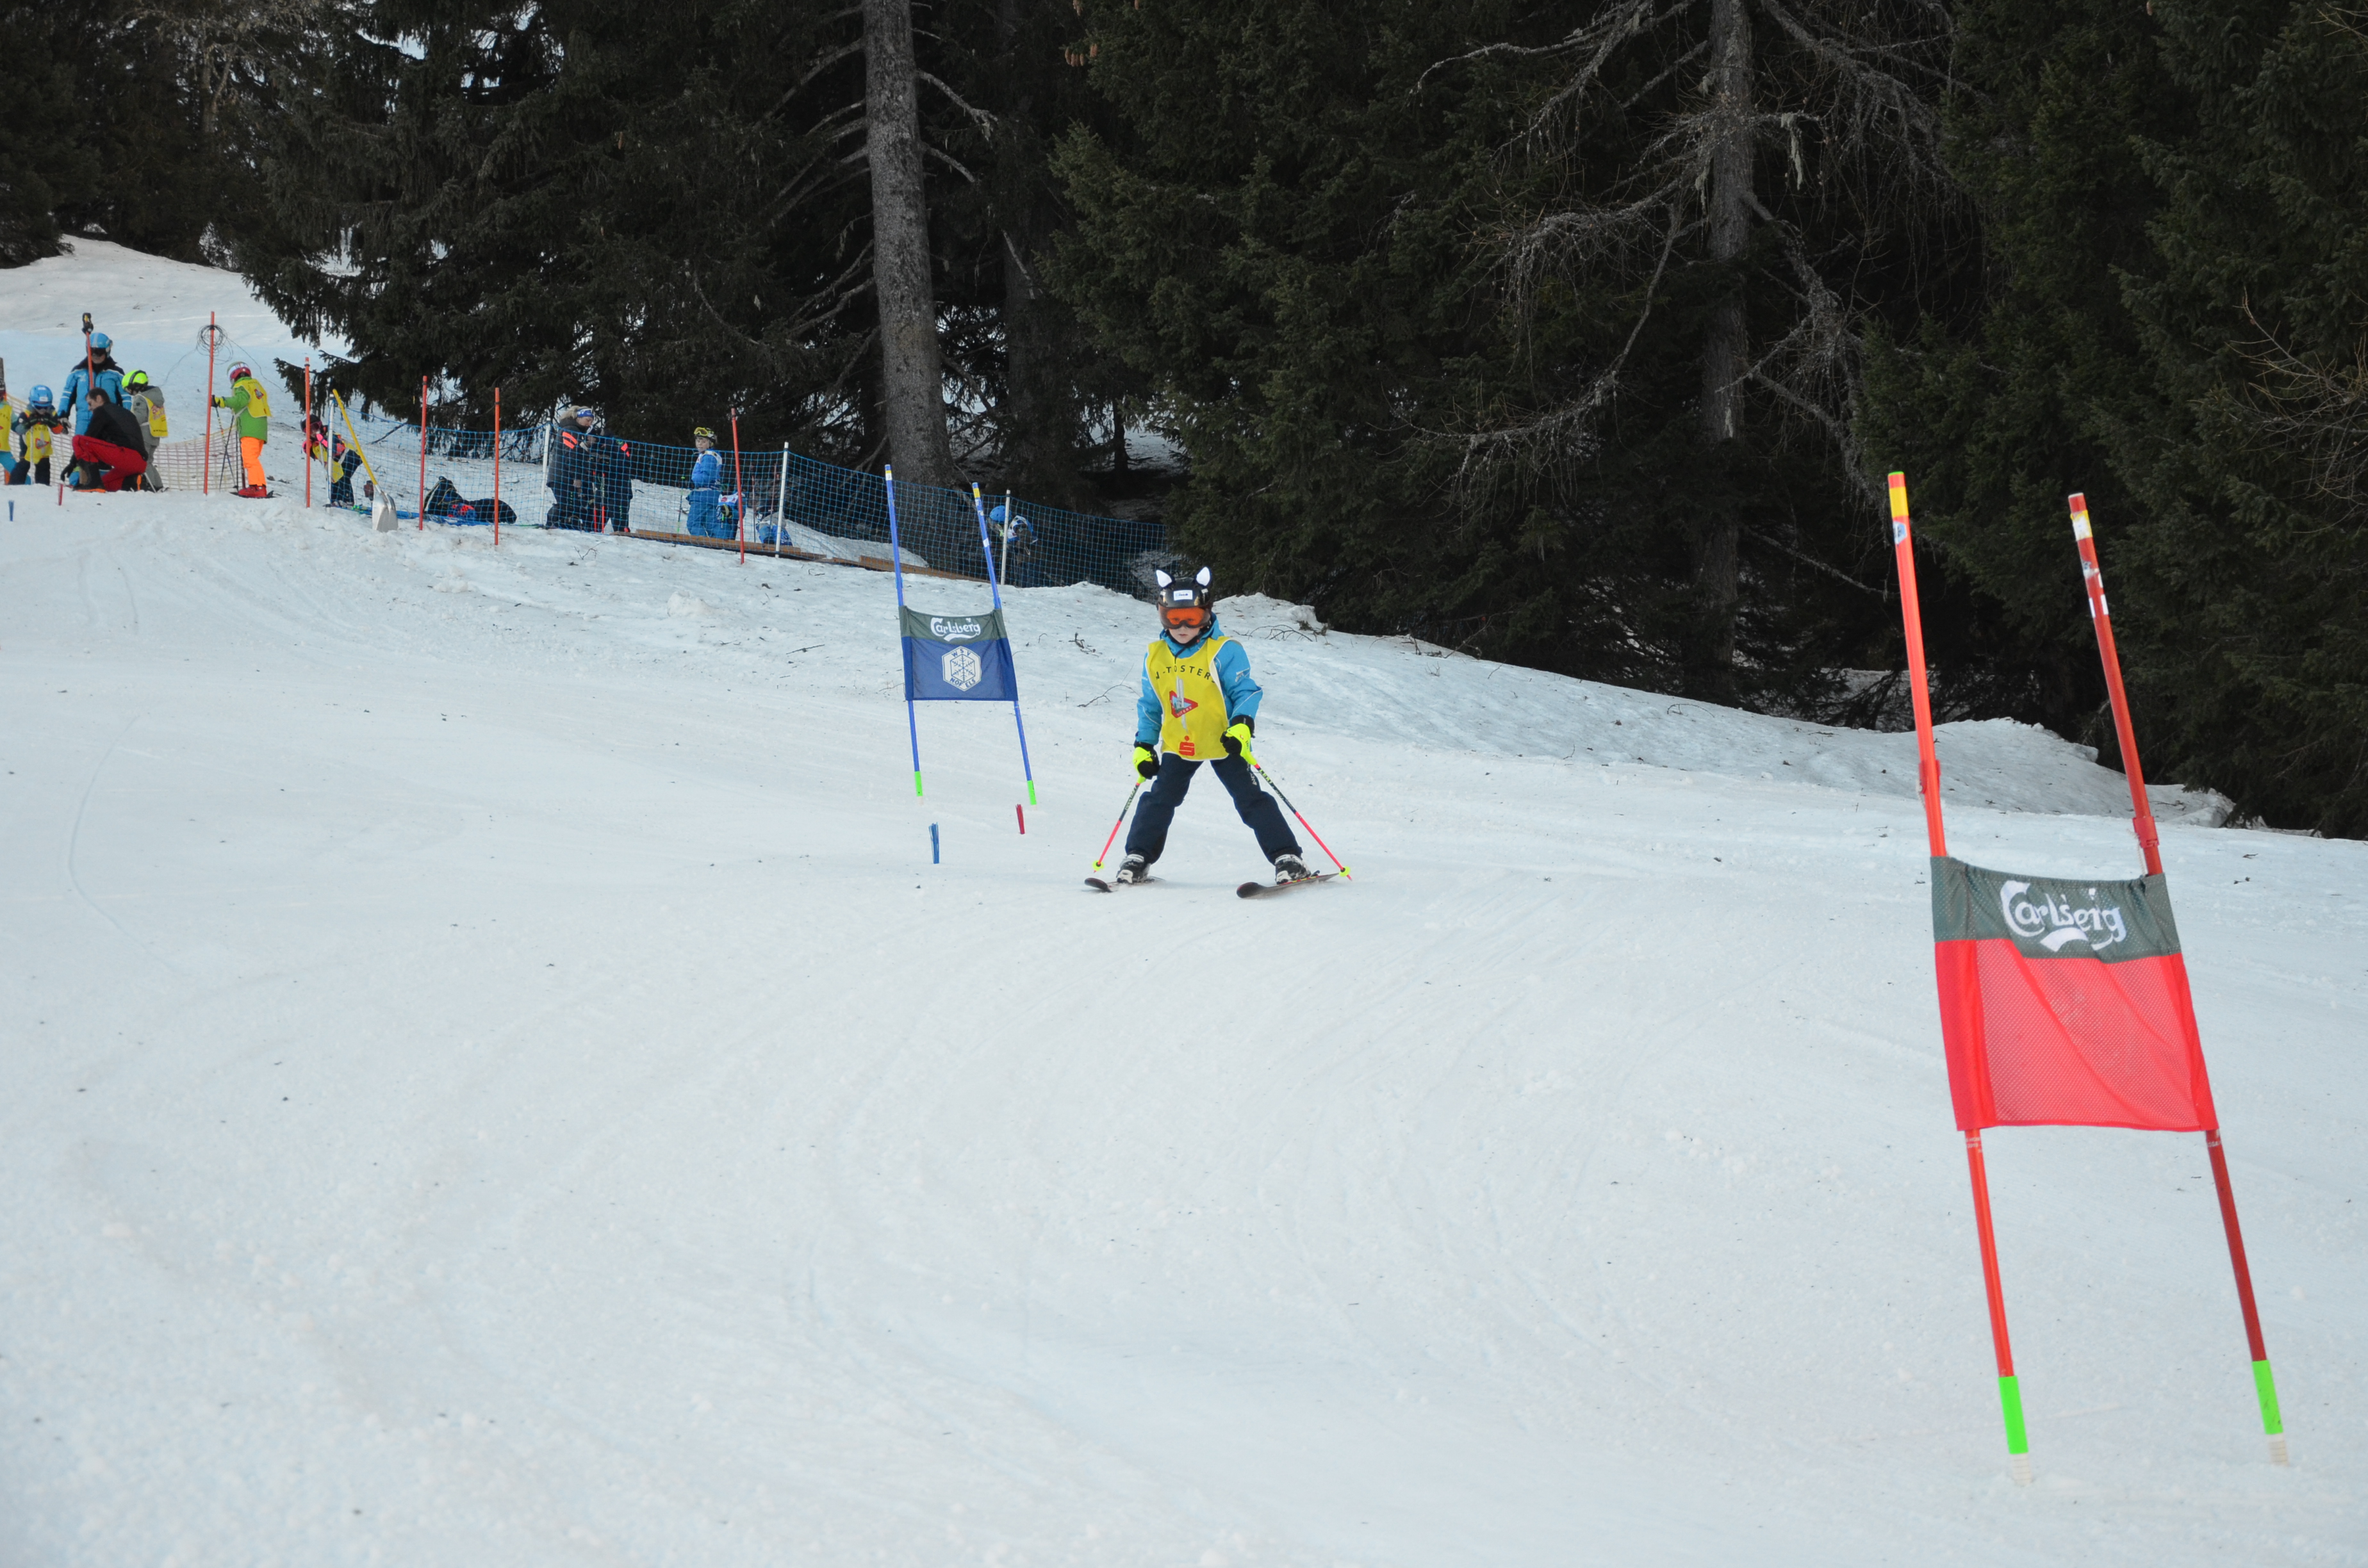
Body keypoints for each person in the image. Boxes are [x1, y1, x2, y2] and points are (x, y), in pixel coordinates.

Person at [1112, 566, 1309, 885]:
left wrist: (1241, 726)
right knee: (1159, 800)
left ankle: (1287, 857)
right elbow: (1150, 705)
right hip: (1179, 744)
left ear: (1206, 614)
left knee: (1251, 799)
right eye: (1173, 618)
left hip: (1224, 742)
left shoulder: (1224, 650)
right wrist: (1144, 746)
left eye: (1192, 617)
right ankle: (1138, 857)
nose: (1183, 627)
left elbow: (1246, 692)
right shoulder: (1155, 656)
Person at [67, 386, 150, 492]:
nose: (89, 408)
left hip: (126, 456)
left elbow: (88, 438)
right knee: (105, 484)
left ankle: (94, 483)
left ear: (99, 398)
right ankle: (134, 482)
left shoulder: (102, 411)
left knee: (78, 440)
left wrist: (72, 464)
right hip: (141, 463)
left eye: (90, 403)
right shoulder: (125, 413)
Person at [210, 363, 272, 496]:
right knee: (252, 458)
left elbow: (241, 400)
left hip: (250, 427)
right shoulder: (256, 385)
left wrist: (221, 401)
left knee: (250, 459)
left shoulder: (241, 385)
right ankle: (258, 486)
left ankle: (258, 488)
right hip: (260, 428)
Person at [546, 405, 602, 530]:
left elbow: (577, 453)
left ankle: (555, 526)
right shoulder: (571, 429)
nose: (589, 424)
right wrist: (577, 476)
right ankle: (552, 526)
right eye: (588, 420)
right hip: (564, 477)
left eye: (591, 421)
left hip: (563, 476)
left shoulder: (575, 431)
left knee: (570, 507)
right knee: (569, 508)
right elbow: (571, 454)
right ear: (579, 417)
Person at [58, 333, 125, 436]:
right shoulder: (78, 372)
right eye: (91, 351)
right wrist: (62, 415)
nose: (95, 355)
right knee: (81, 445)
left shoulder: (116, 373)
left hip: (109, 420)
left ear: (107, 351)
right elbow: (67, 395)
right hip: (84, 420)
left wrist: (125, 419)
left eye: (99, 352)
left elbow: (125, 398)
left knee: (105, 445)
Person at [8, 386, 61, 485]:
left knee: (44, 467)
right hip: (28, 443)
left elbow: (58, 430)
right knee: (24, 465)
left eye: (45, 407)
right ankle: (15, 485)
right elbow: (18, 430)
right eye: (39, 407)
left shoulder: (51, 413)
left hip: (44, 445)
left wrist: (52, 422)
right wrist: (29, 422)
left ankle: (43, 487)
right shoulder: (27, 413)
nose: (42, 410)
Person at [123, 371, 167, 487]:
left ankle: (151, 486)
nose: (130, 392)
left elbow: (140, 416)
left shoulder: (141, 398)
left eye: (129, 389)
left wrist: (128, 424)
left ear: (136, 386)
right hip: (155, 433)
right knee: (149, 461)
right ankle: (158, 486)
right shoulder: (154, 396)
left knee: (143, 462)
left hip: (144, 433)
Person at [684, 427, 728, 537]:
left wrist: (694, 483)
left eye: (703, 442)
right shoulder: (708, 455)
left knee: (693, 523)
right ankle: (720, 542)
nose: (700, 444)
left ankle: (703, 544)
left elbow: (707, 475)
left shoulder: (709, 456)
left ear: (711, 443)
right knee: (711, 524)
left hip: (703, 495)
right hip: (711, 495)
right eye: (698, 441)